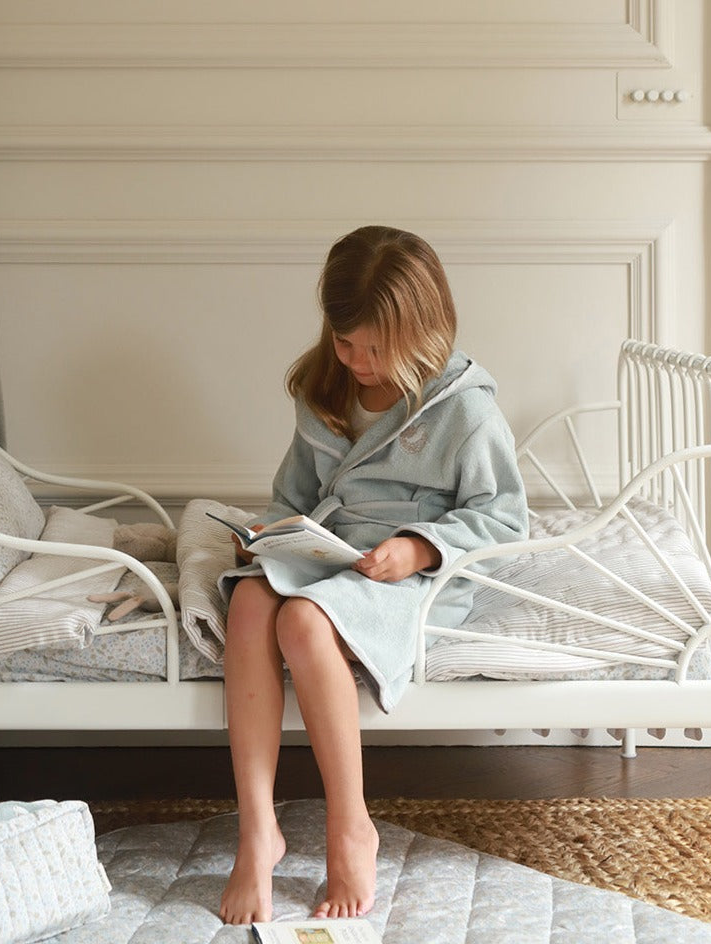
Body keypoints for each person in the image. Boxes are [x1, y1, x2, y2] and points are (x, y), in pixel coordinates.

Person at [217, 225, 529, 925]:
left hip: (409, 576)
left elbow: (505, 519)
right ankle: (257, 828)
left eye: (375, 349)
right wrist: (271, 535)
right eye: (345, 342)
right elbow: (294, 494)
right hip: (329, 554)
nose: (357, 361)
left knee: (301, 620)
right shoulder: (324, 388)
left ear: (424, 328)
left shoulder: (465, 410)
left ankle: (350, 824)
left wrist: (418, 547)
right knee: (247, 605)